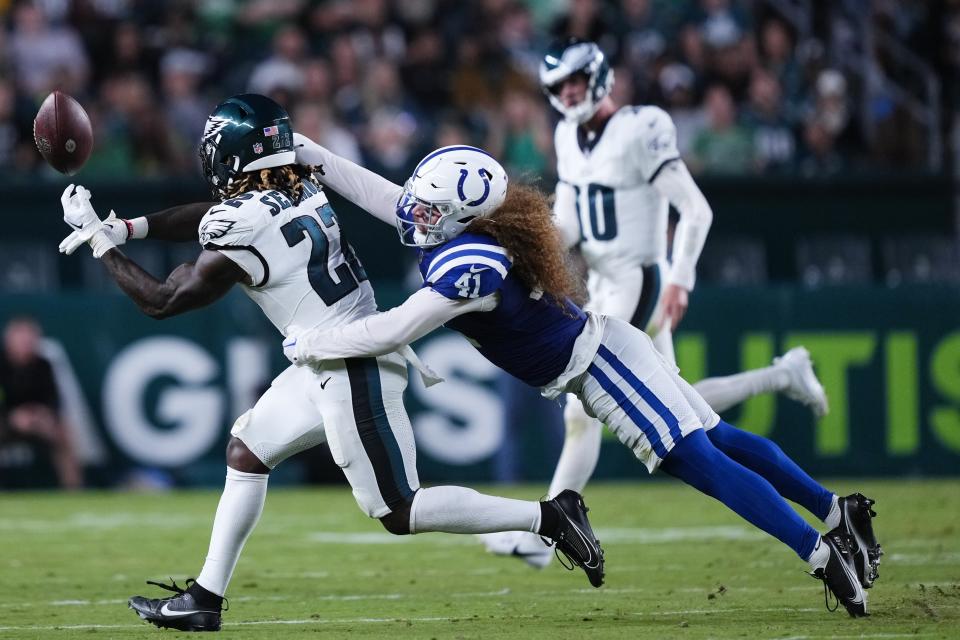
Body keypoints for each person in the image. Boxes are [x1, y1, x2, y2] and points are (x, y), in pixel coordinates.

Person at [56, 94, 604, 632]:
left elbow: (163, 299)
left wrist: (100, 244)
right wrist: (127, 229)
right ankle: (204, 599)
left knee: (398, 510)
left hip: (348, 364)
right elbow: (214, 218)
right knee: (247, 450)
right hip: (326, 356)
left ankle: (551, 517)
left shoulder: (245, 222)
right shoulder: (297, 184)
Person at [282, 139, 879, 618]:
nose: (415, 213)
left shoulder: (474, 264)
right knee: (717, 439)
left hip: (601, 366)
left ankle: (821, 552)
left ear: (461, 217)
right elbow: (378, 192)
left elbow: (392, 330)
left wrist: (309, 343)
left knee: (703, 462)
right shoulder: (467, 229)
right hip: (608, 350)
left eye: (430, 209)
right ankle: (837, 510)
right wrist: (302, 150)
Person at [484, 38, 830, 566]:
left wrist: (680, 279)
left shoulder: (640, 127)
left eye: (577, 81)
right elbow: (574, 219)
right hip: (600, 283)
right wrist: (540, 254)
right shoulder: (566, 135)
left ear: (600, 78)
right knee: (690, 411)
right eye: (560, 85)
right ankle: (782, 376)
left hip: (639, 279)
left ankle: (546, 532)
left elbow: (696, 210)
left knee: (583, 406)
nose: (570, 92)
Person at [0, 316, 82, 489]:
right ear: (9, 341)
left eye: (30, 338)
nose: (26, 343)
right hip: (6, 422)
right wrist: (11, 418)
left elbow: (53, 399)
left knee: (63, 434)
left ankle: (74, 490)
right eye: (21, 339)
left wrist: (44, 415)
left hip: (35, 422)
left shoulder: (43, 365)